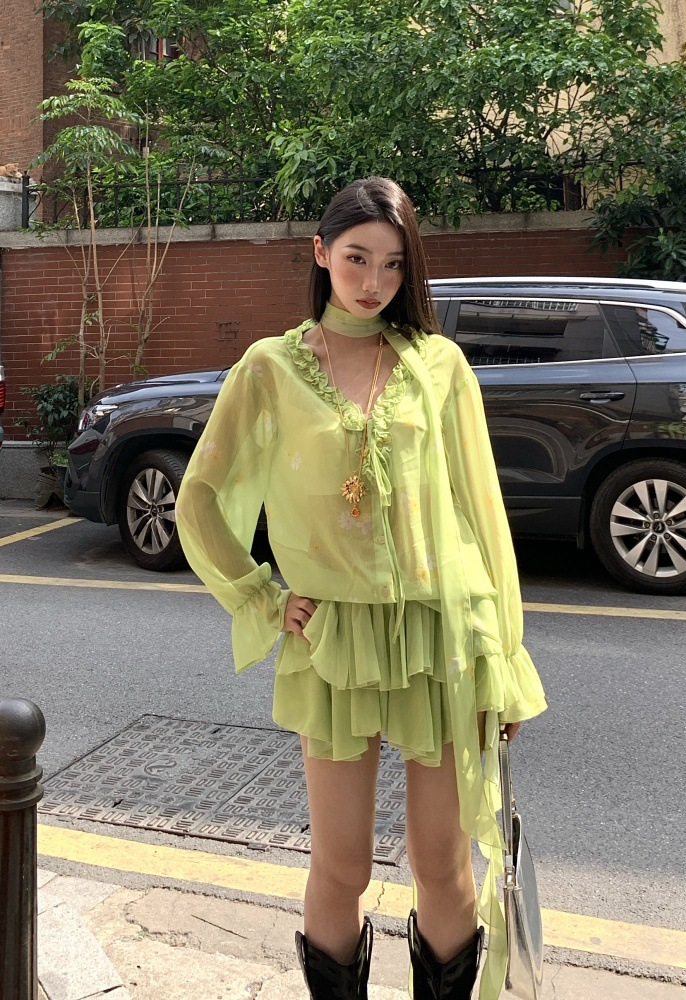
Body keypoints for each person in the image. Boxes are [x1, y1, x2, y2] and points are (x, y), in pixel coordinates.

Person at [175, 176, 547, 1000]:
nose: (373, 281)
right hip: (332, 638)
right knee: (340, 864)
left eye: (392, 263)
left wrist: (506, 656)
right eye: (355, 258)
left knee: (443, 864)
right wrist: (262, 596)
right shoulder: (270, 368)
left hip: (441, 634)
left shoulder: (438, 366)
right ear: (320, 254)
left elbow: (480, 513)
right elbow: (198, 497)